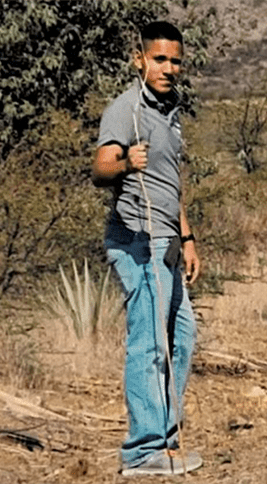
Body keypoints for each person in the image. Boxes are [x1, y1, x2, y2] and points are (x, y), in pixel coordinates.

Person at [91, 21, 202, 476]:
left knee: (181, 336)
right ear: (139, 59)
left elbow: (169, 185)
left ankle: (166, 439)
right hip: (137, 240)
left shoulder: (169, 111)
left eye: (175, 60)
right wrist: (123, 162)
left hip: (168, 240)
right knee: (148, 342)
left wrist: (188, 237)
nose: (169, 68)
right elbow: (100, 170)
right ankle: (142, 452)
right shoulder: (126, 110)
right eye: (160, 59)